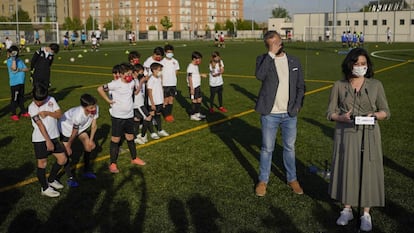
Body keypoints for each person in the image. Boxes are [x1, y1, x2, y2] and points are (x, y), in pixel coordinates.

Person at [326, 48, 390, 232]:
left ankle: (366, 213)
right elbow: (329, 113)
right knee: (348, 169)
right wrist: (340, 118)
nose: (360, 67)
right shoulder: (338, 85)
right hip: (346, 133)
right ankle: (347, 209)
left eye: (364, 64)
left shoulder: (376, 85)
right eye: (357, 64)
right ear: (349, 64)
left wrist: (376, 115)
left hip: (369, 133)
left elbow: (386, 111)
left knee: (368, 170)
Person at [254, 31, 305, 197]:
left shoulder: (294, 61)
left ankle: (292, 178)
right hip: (270, 114)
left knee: (289, 148)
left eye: (276, 42)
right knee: (267, 149)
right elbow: (260, 75)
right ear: (267, 46)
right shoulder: (263, 60)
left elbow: (300, 86)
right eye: (271, 44)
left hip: (290, 114)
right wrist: (270, 54)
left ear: (281, 41)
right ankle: (263, 180)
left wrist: (297, 106)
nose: (275, 45)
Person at [97, 63, 146, 173]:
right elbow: (100, 89)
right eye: (127, 73)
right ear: (121, 74)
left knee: (130, 137)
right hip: (118, 117)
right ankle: (113, 164)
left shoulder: (132, 82)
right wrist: (108, 100)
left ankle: (134, 158)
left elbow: (133, 93)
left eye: (130, 73)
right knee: (116, 139)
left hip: (129, 116)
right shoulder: (115, 84)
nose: (129, 75)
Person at [28, 84, 67, 197]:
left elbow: (59, 114)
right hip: (40, 139)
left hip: (53, 136)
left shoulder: (51, 100)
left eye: (41, 101)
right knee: (42, 163)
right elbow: (40, 125)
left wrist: (48, 113)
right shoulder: (32, 107)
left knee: (62, 159)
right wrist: (48, 141)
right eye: (36, 101)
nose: (38, 103)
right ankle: (44, 188)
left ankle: (51, 179)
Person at [58, 94, 99, 187]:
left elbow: (94, 125)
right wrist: (68, 145)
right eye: (91, 107)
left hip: (80, 128)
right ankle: (70, 177)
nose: (94, 109)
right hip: (66, 128)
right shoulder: (78, 115)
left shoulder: (95, 108)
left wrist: (91, 140)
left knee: (88, 146)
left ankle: (87, 171)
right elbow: (74, 132)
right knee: (66, 153)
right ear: (84, 107)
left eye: (94, 106)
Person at [133, 64, 157, 144]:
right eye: (140, 72)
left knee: (137, 119)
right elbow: (135, 92)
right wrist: (141, 82)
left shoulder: (137, 79)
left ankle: (135, 136)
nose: (142, 74)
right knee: (148, 117)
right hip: (137, 104)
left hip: (140, 102)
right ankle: (142, 135)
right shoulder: (133, 81)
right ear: (135, 72)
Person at [6, 45, 30, 121]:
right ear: (10, 53)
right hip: (14, 83)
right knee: (15, 99)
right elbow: (13, 68)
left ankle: (23, 111)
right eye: (13, 52)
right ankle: (13, 114)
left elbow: (27, 69)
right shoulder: (9, 61)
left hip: (21, 82)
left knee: (21, 98)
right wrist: (13, 59)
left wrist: (19, 70)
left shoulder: (19, 60)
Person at [147, 62, 170, 137]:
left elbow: (161, 89)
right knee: (151, 116)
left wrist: (163, 100)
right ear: (153, 70)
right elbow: (149, 92)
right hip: (153, 102)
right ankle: (152, 132)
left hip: (160, 101)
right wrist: (152, 103)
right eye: (159, 70)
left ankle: (160, 130)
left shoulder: (159, 78)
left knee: (158, 115)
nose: (160, 72)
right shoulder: (151, 80)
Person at [161, 44, 180, 122]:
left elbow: (176, 72)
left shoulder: (175, 61)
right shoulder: (162, 62)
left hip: (173, 84)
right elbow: (160, 73)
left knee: (171, 100)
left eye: (171, 52)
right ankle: (166, 115)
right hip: (165, 84)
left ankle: (169, 114)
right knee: (165, 100)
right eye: (168, 52)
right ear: (165, 52)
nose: (170, 54)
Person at [186, 51, 207, 121]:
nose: (200, 61)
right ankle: (192, 115)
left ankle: (197, 113)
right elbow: (189, 77)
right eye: (199, 59)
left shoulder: (196, 66)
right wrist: (191, 88)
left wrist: (201, 75)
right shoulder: (190, 66)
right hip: (193, 86)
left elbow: (195, 74)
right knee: (194, 101)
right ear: (194, 59)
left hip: (197, 85)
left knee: (199, 99)